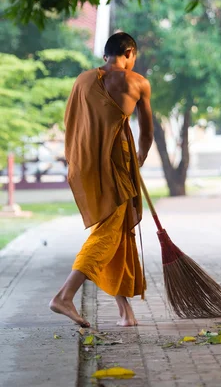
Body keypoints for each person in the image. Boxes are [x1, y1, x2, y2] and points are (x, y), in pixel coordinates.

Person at [50, 32, 153, 327]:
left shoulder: (82, 81)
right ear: (130, 52)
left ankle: (125, 312)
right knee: (108, 233)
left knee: (117, 232)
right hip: (116, 166)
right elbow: (146, 133)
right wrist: (140, 159)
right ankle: (65, 295)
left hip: (85, 164)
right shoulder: (137, 83)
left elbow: (75, 124)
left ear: (105, 55)